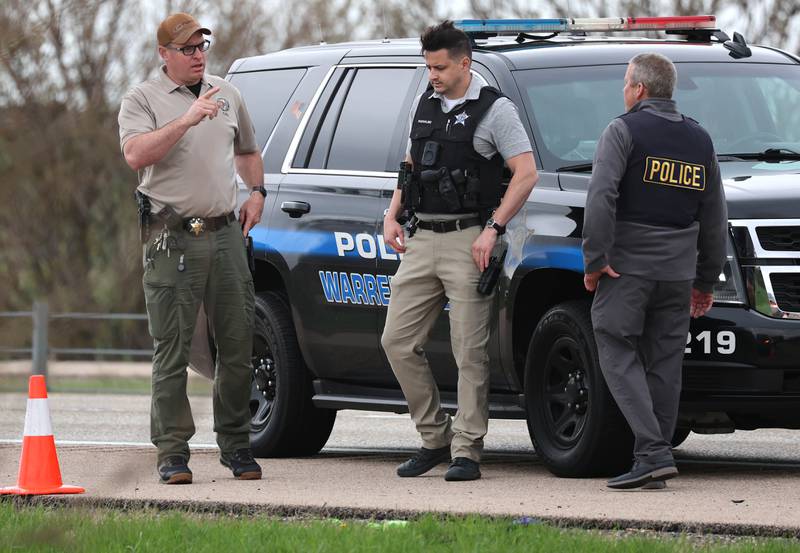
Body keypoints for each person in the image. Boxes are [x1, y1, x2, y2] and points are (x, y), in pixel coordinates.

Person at [381, 21, 538, 482]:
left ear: (464, 63)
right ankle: (434, 437)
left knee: (469, 351)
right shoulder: (424, 103)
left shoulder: (495, 110)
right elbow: (411, 164)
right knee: (396, 340)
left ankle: (467, 450)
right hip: (421, 237)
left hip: (469, 240)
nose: (432, 74)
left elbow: (525, 172)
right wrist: (393, 213)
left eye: (440, 67)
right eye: (428, 66)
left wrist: (494, 228)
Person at [118, 13, 266, 484]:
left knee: (239, 342)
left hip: (224, 234)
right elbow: (136, 155)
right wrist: (186, 118)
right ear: (164, 54)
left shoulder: (228, 94)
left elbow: (246, 150)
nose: (199, 54)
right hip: (171, 236)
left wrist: (257, 192)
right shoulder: (141, 99)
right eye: (187, 49)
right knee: (173, 349)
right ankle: (173, 452)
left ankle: (237, 445)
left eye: (202, 46)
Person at [582, 53, 727, 490]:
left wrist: (595, 259)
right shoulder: (700, 140)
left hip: (627, 267)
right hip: (678, 271)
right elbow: (714, 215)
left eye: (626, 83)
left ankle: (652, 452)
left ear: (639, 89)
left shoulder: (622, 130)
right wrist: (706, 280)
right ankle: (654, 460)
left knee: (613, 343)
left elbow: (601, 196)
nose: (624, 91)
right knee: (665, 363)